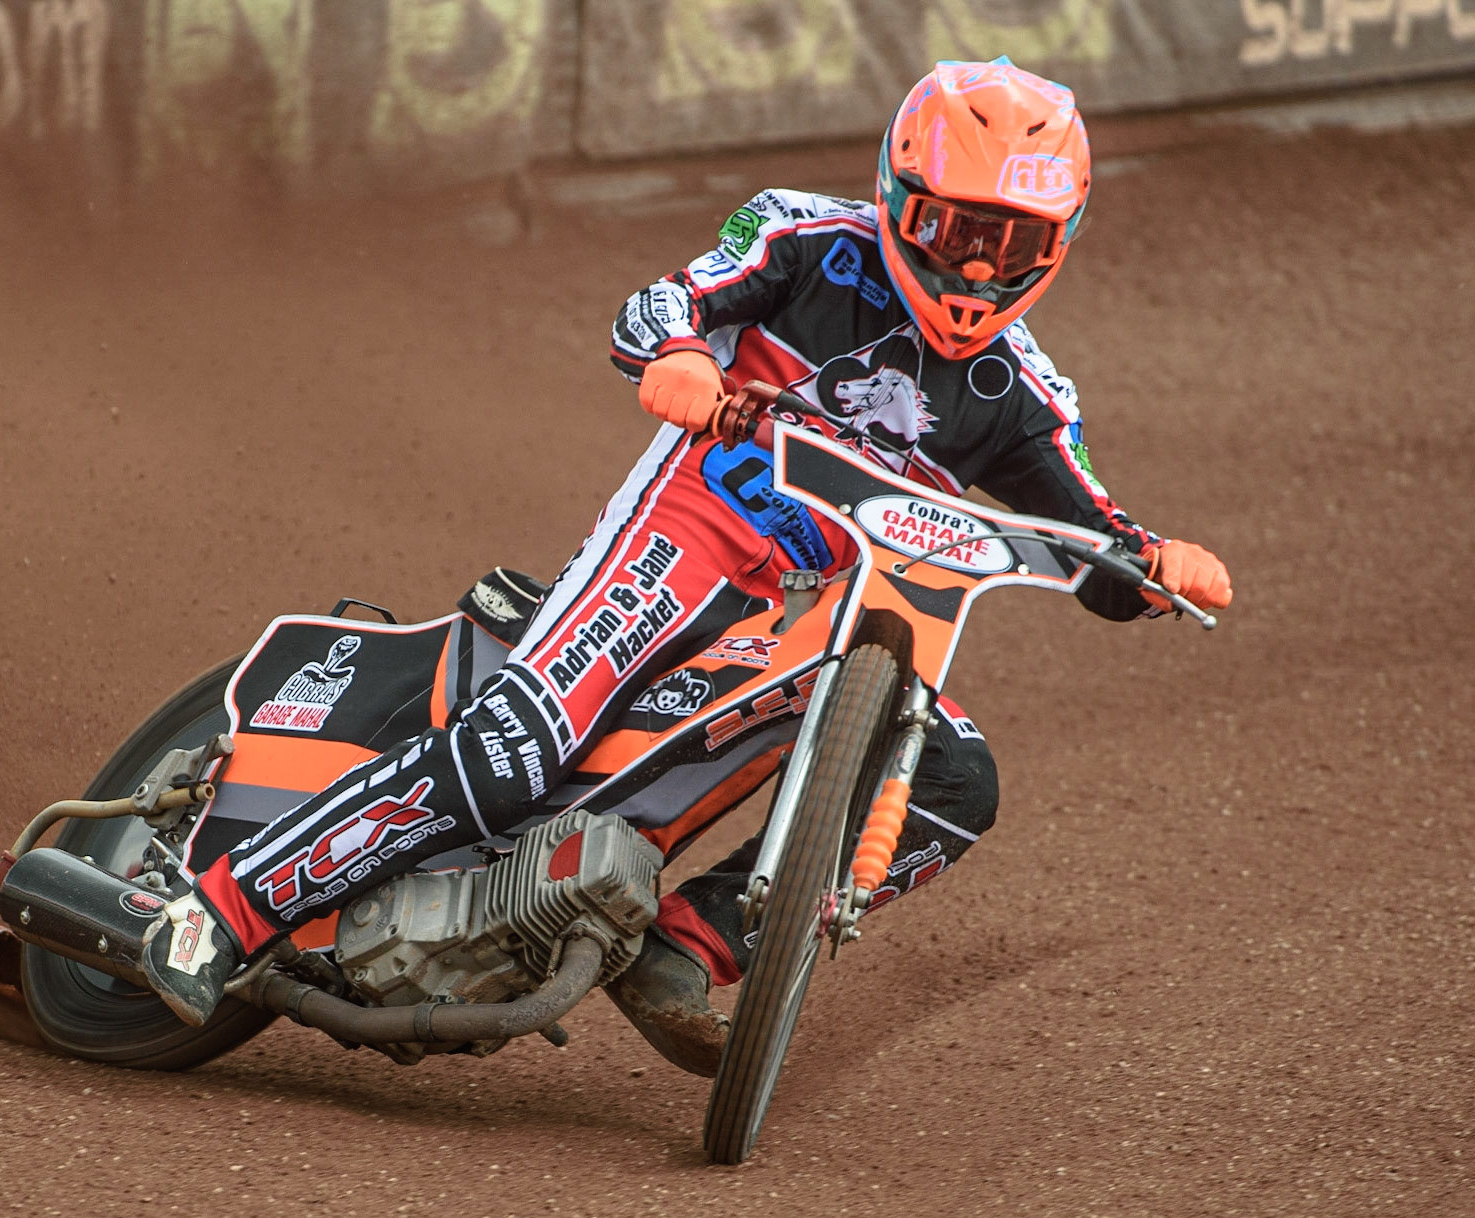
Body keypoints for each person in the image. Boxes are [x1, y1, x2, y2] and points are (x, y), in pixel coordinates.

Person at [140, 57, 1233, 1075]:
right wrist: (672, 356)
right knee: (520, 751)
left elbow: (1089, 534)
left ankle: (688, 942)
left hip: (823, 615)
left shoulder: (1024, 393)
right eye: (955, 229)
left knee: (955, 779)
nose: (979, 266)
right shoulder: (801, 237)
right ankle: (218, 912)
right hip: (688, 532)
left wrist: (1150, 565)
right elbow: (665, 302)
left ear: (1058, 243)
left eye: (1014, 241)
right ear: (900, 199)